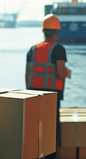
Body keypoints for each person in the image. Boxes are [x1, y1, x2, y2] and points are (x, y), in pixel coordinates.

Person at [25, 14, 71, 158]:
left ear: (43, 31)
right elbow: (61, 73)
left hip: (33, 95)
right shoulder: (58, 49)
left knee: (35, 128)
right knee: (51, 130)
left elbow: (27, 74)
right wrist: (67, 73)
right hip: (51, 96)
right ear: (57, 32)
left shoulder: (33, 49)